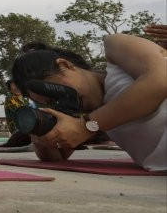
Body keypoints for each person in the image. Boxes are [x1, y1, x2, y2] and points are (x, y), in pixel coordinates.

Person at [11, 35, 167, 171]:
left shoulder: (115, 45)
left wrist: (87, 126)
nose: (61, 102)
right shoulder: (89, 116)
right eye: (51, 102)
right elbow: (59, 157)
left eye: (56, 92)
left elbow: (161, 80)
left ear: (65, 65)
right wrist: (44, 139)